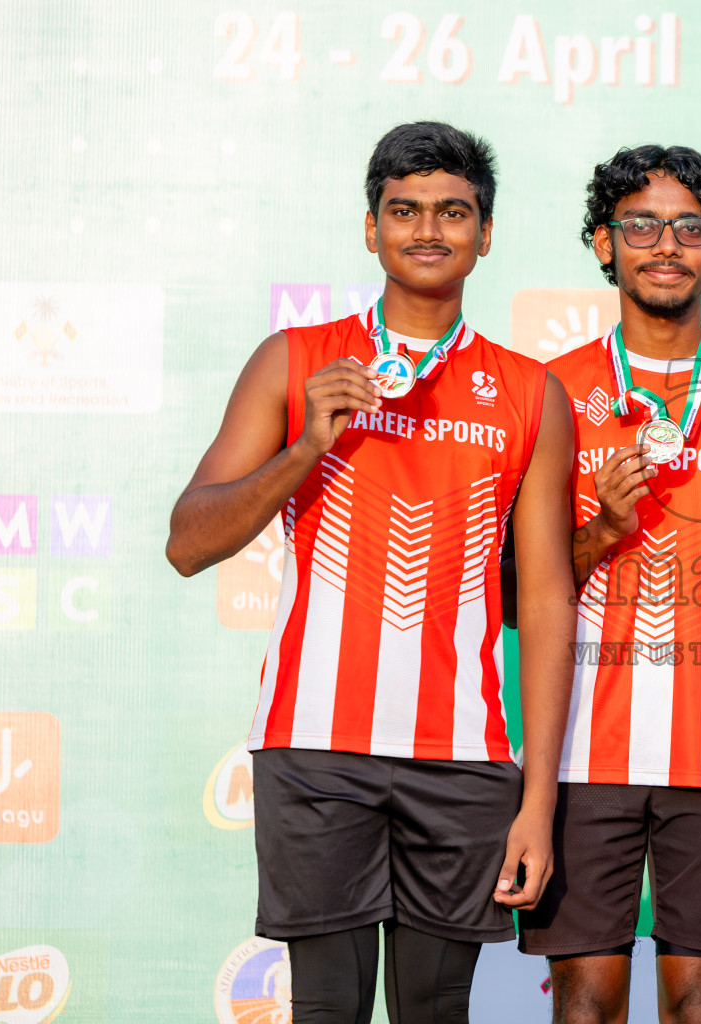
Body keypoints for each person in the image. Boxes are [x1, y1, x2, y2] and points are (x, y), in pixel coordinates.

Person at [166, 121, 576, 1022]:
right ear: (370, 228)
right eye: (404, 210)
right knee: (328, 1010)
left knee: (436, 1012)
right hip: (314, 751)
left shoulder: (530, 392)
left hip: (464, 762)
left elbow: (548, 602)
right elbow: (189, 543)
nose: (428, 229)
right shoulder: (295, 359)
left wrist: (538, 798)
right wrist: (305, 447)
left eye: (452, 212)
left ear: (486, 234)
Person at [517, 145, 701, 1024]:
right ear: (604, 244)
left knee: (699, 1007)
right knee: (585, 1007)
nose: (666, 244)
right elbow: (519, 593)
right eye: (640, 225)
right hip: (581, 754)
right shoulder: (552, 391)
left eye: (690, 227)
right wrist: (603, 529)